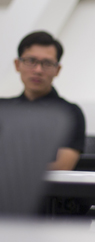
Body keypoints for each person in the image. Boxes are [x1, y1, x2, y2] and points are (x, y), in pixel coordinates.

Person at [0, 31, 85, 170]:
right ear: (17, 65)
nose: (38, 70)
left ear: (57, 70)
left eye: (47, 63)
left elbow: (62, 166)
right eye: (31, 61)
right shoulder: (3, 109)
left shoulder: (68, 113)